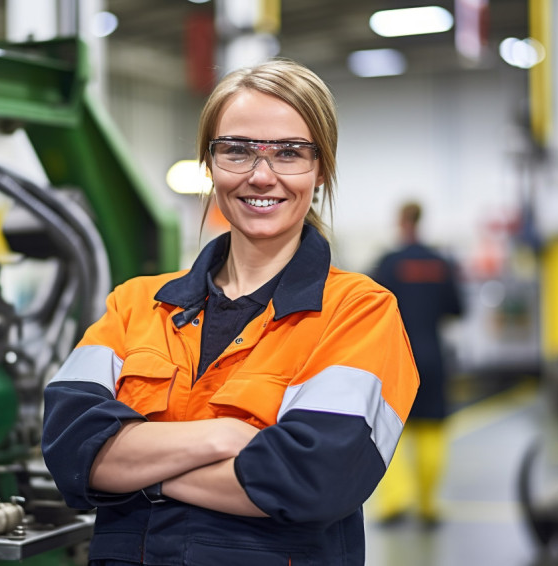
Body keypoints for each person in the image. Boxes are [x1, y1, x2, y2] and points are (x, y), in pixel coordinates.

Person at [42, 59, 419, 565]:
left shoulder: (359, 313)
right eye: (237, 151)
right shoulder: (135, 305)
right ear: (210, 164)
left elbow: (312, 481)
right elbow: (70, 447)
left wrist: (133, 469)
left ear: (321, 167)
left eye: (289, 153)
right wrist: (224, 435)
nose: (261, 177)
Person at [370, 201, 464, 527]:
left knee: (391, 429)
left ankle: (395, 502)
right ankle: (428, 506)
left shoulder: (388, 263)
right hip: (434, 357)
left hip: (396, 357)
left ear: (400, 221)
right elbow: (457, 308)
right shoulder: (441, 263)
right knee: (432, 429)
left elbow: (372, 310)